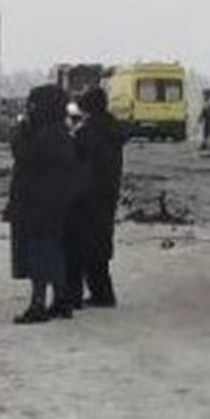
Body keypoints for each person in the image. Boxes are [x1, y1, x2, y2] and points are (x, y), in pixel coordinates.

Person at [7, 84, 80, 324]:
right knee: (51, 251)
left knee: (39, 253)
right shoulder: (59, 131)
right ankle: (61, 300)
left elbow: (26, 156)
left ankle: (38, 304)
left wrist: (19, 134)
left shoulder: (48, 133)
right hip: (50, 201)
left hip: (39, 202)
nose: (30, 109)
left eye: (33, 104)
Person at [65, 85, 125, 309]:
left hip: (86, 195)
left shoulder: (88, 132)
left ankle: (80, 294)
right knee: (100, 243)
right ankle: (102, 292)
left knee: (81, 244)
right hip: (107, 192)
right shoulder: (112, 128)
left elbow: (76, 160)